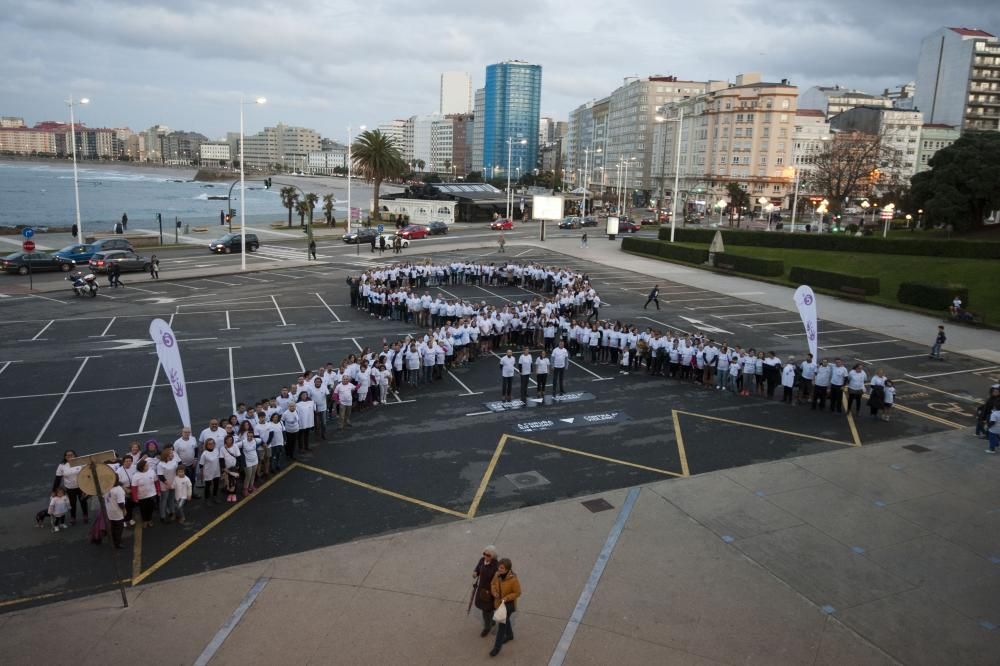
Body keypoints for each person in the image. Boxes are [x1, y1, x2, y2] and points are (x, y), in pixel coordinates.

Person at [489, 558, 522, 657]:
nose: (499, 569)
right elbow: (493, 584)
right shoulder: (497, 574)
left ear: (508, 569)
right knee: (506, 620)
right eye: (499, 567)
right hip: (498, 604)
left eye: (502, 568)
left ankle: (496, 648)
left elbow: (518, 592)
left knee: (501, 626)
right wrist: (494, 592)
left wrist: (507, 598)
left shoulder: (513, 580)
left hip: (508, 606)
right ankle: (510, 635)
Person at [54, 450, 88, 525]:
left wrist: (87, 486)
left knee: (83, 502)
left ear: (75, 455)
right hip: (70, 488)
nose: (70, 457)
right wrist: (54, 491)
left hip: (81, 487)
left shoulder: (80, 462)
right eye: (67, 455)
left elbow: (86, 474)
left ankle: (85, 515)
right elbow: (57, 479)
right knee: (72, 503)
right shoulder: (62, 465)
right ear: (65, 457)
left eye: (71, 455)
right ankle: (73, 517)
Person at [473, 546, 500, 637]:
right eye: (484, 554)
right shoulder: (482, 560)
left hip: (489, 591)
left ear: (493, 556)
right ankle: (491, 621)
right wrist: (475, 573)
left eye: (488, 555)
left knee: (486, 610)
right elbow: (477, 568)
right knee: (487, 609)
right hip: (481, 589)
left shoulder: (496, 566)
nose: (485, 556)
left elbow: (497, 580)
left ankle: (487, 627)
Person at [131, 459, 158, 528]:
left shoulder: (152, 472)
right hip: (142, 496)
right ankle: (145, 521)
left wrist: (158, 491)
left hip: (152, 494)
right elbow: (134, 488)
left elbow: (156, 482)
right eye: (146, 466)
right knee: (143, 509)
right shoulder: (136, 476)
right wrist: (135, 497)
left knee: (151, 508)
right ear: (141, 467)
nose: (148, 466)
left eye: (147, 465)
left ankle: (149, 519)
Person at [104, 478, 127, 548]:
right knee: (119, 528)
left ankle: (114, 540)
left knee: (113, 527)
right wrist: (124, 510)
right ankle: (118, 543)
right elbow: (121, 503)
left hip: (110, 511)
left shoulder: (106, 487)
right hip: (117, 512)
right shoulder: (119, 489)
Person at [199, 438, 221, 503]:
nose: (211, 445)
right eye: (209, 444)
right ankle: (207, 498)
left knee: (216, 485)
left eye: (213, 443)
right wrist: (202, 474)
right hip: (208, 472)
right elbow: (201, 465)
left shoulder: (216, 450)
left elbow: (218, 460)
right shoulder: (204, 454)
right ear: (206, 445)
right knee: (208, 486)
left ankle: (215, 496)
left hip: (216, 471)